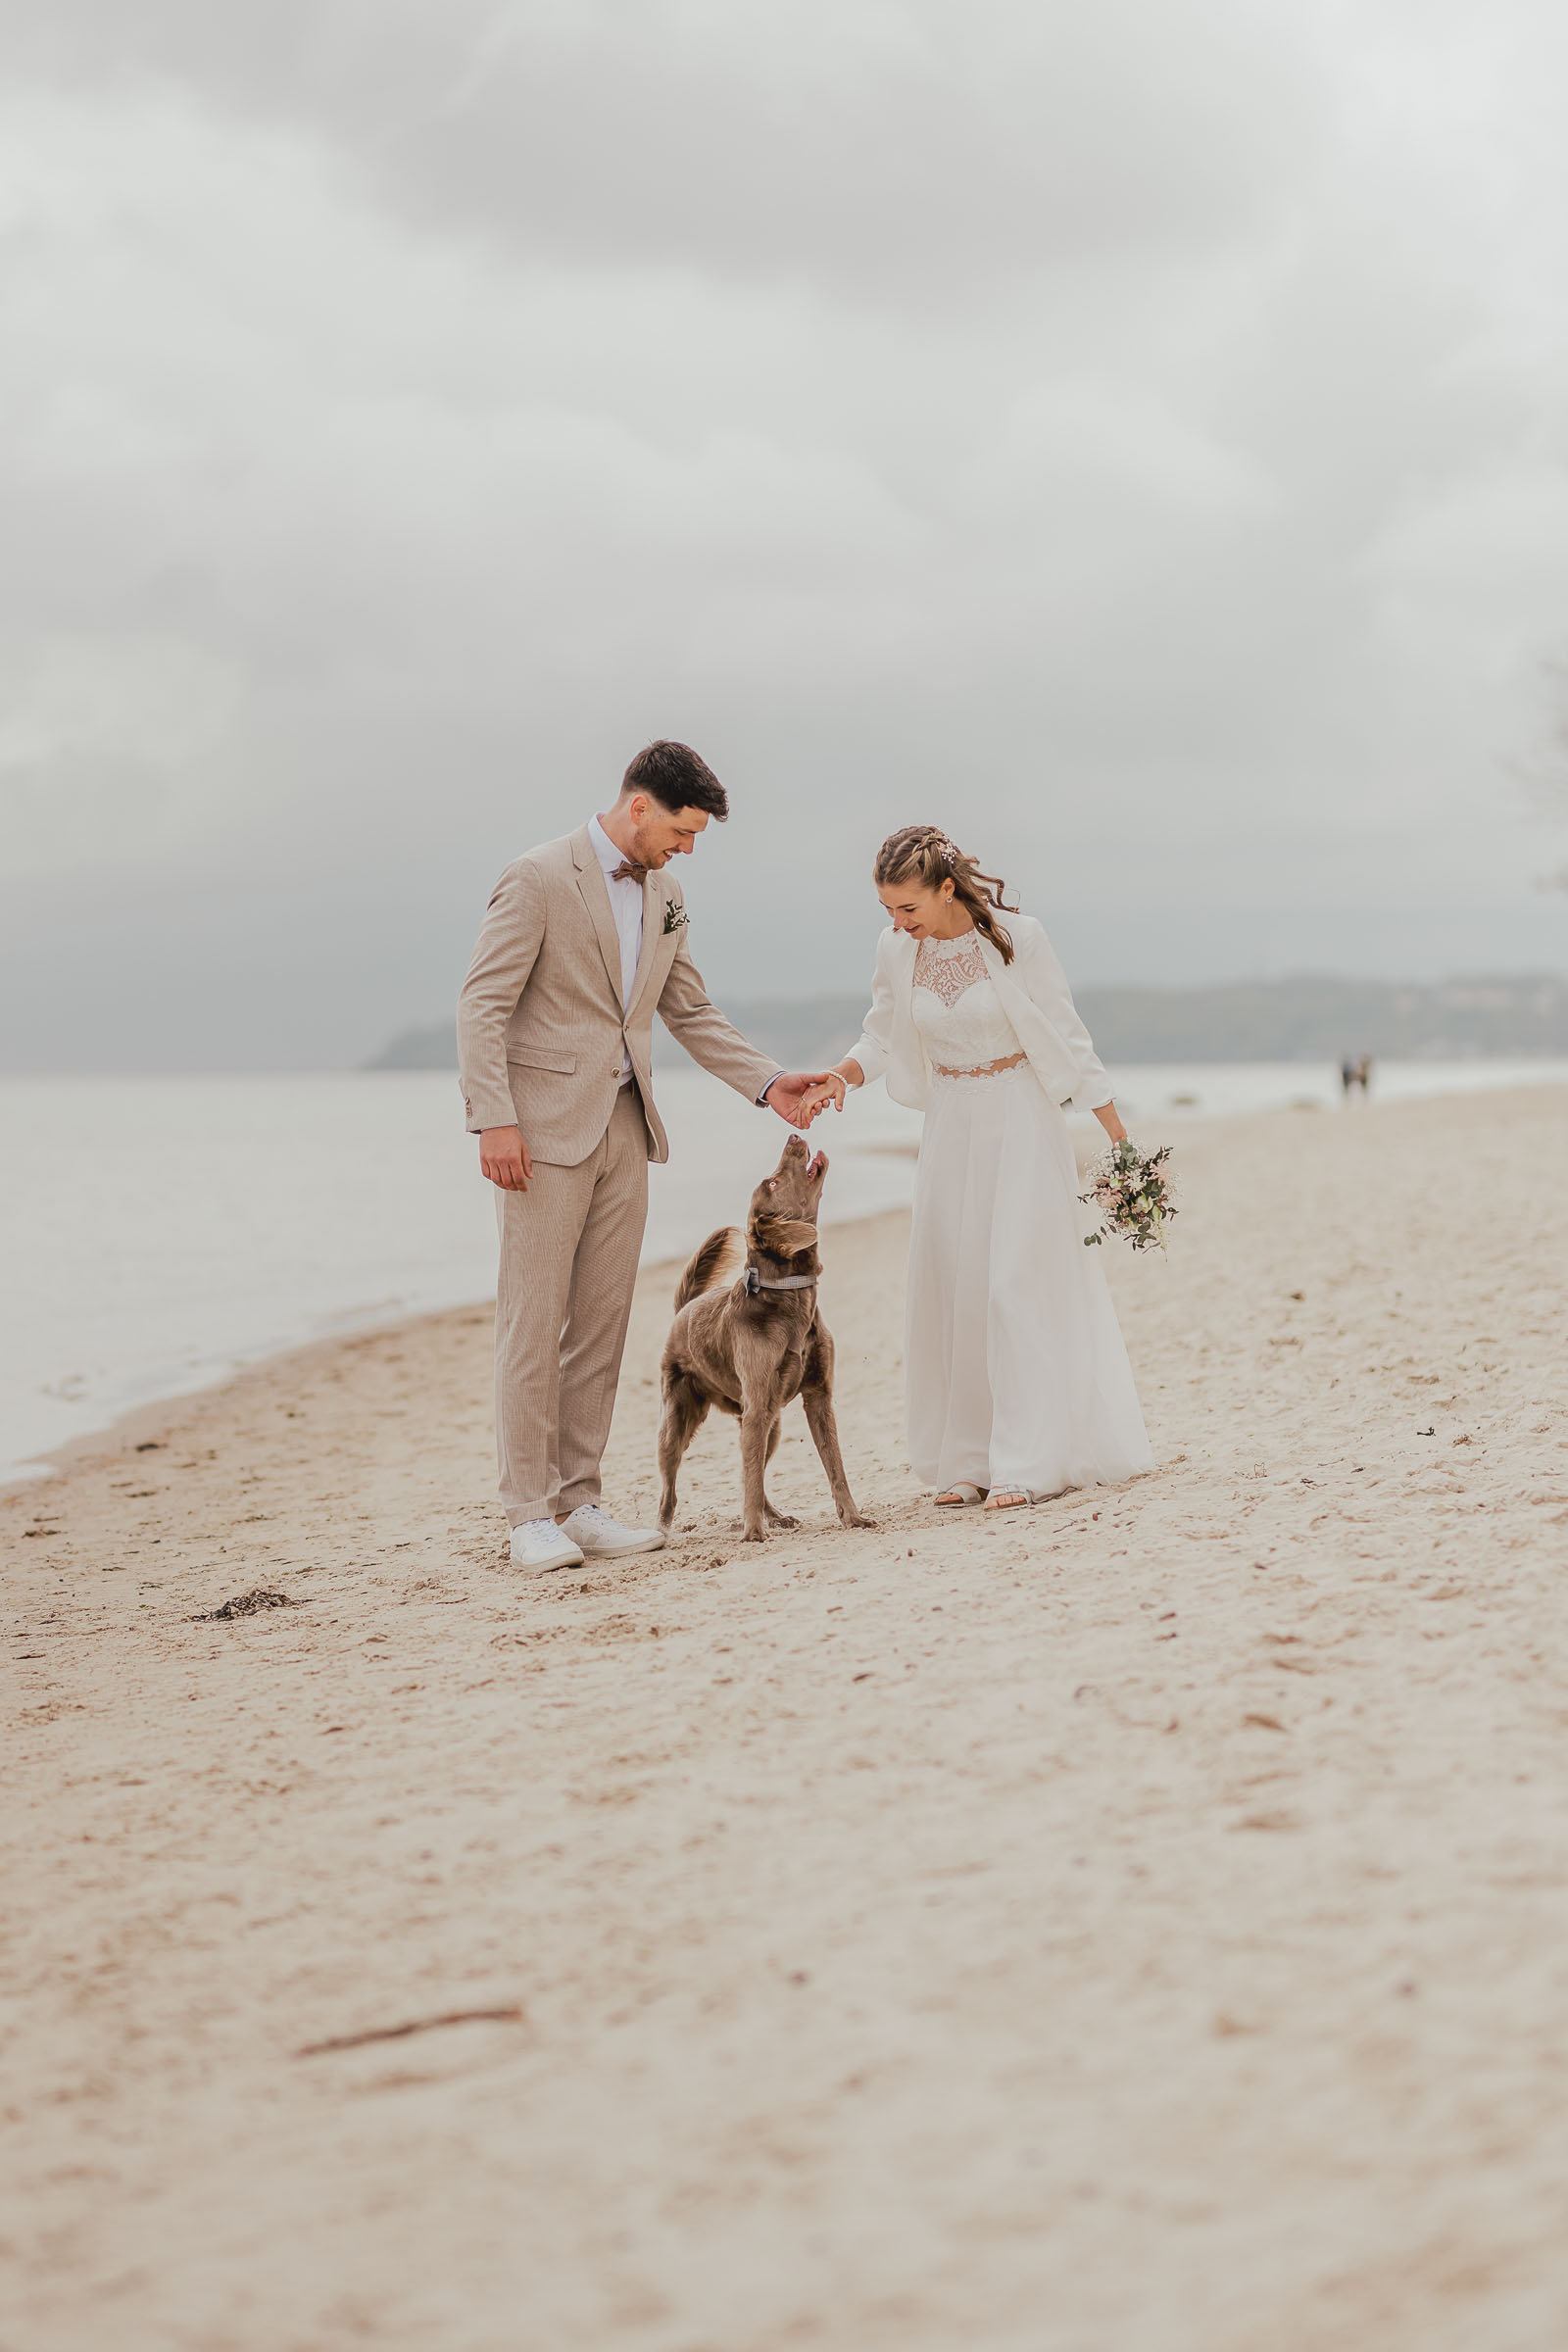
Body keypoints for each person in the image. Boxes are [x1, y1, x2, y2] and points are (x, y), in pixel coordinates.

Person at [457, 741, 831, 1574]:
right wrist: (493, 1120)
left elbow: (689, 1008)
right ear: (639, 807)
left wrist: (770, 1083)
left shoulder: (667, 894)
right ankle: (528, 1514)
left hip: (627, 1131)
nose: (687, 848)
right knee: (532, 1320)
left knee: (601, 1322)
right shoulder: (537, 877)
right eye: (682, 830)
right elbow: (482, 1004)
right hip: (540, 1133)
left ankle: (580, 1501)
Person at [801, 825, 1153, 1512]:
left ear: (946, 887)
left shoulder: (1020, 937)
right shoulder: (896, 949)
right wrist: (843, 1074)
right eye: (889, 912)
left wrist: (1120, 1143)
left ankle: (1025, 1460)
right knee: (959, 1287)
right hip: (951, 1125)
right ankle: (969, 1460)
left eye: (909, 908)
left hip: (1020, 1118)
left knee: (1012, 1285)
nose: (899, 924)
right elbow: (881, 1031)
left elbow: (1068, 1035)